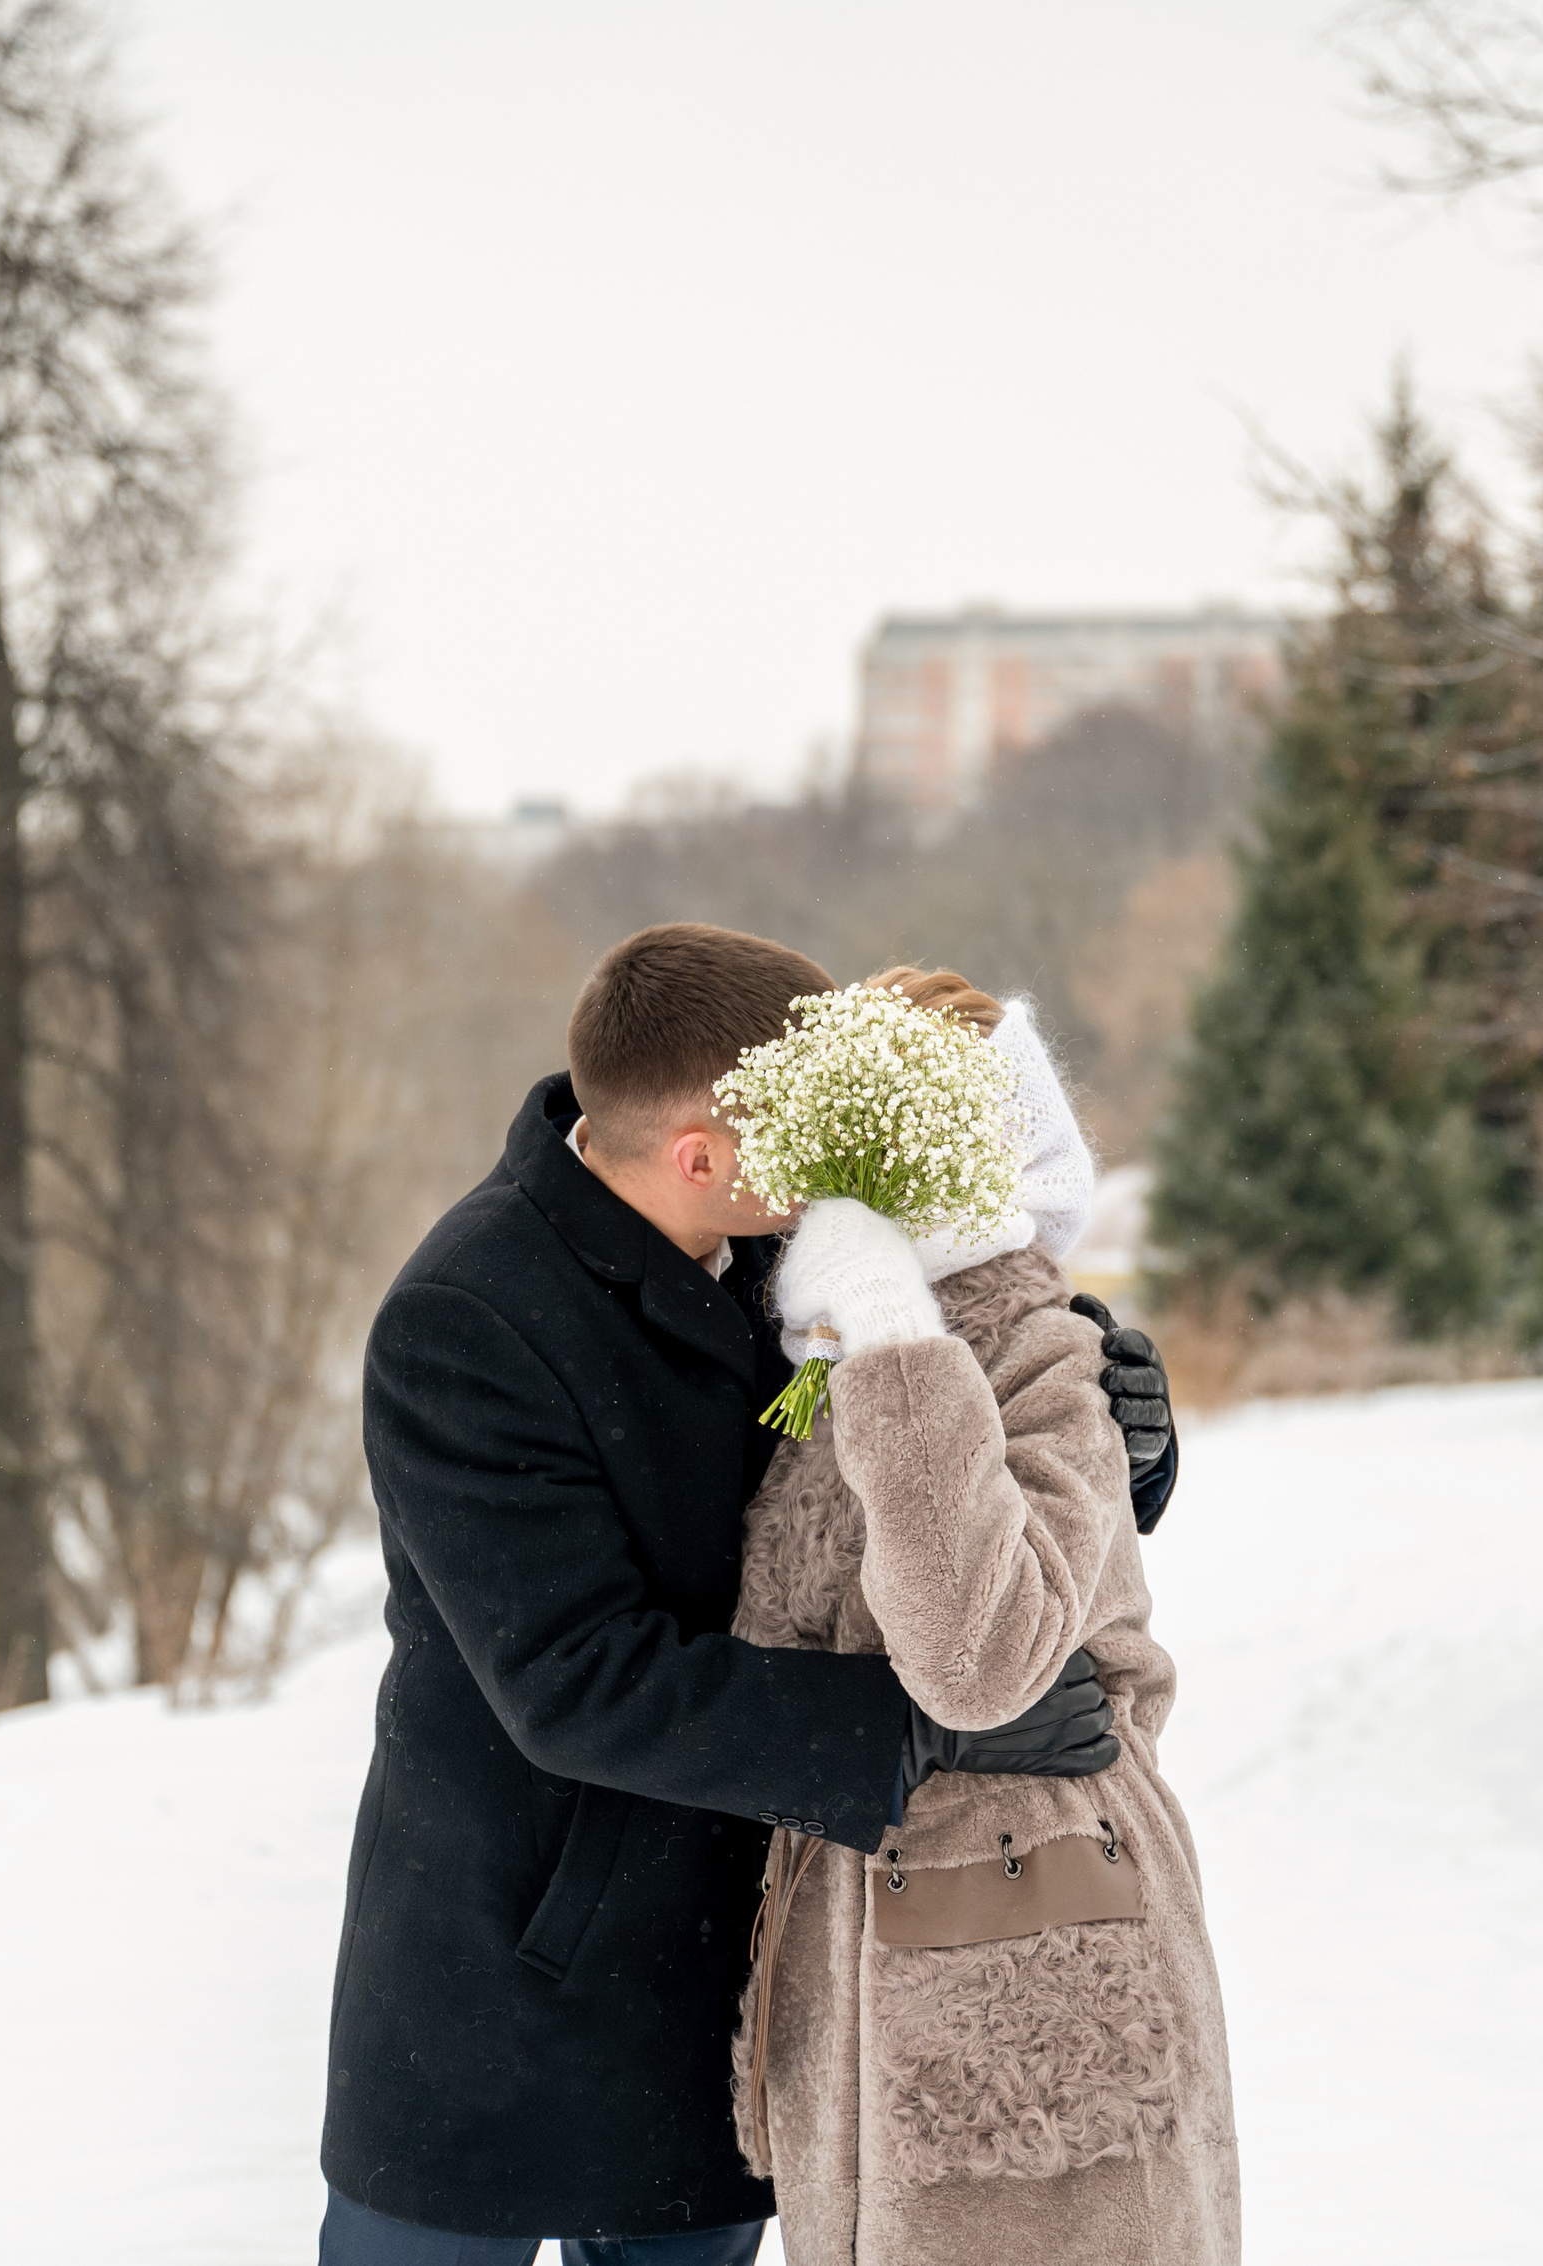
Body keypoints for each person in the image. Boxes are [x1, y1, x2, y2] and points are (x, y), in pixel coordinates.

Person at [319, 925, 1179, 2265]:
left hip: (711, 1977)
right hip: (497, 1982)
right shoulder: (468, 1319)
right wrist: (914, 1732)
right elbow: (579, 1679)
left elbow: (913, 1493)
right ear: (701, 1153)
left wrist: (1116, 1447)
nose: (834, 1157)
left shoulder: (798, 1251)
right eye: (799, 1123)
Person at [729, 969, 1240, 2266]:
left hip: (1034, 1915)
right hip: (867, 1943)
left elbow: (975, 1659)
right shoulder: (821, 1369)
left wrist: (901, 1335)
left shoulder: (1028, 1345)